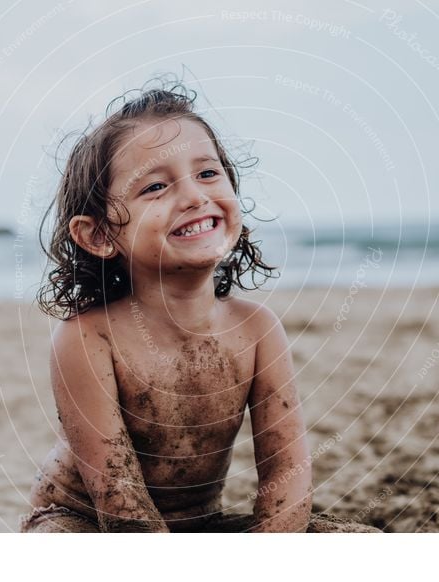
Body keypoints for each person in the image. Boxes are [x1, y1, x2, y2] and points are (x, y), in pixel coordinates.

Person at [20, 79, 380, 533]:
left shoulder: (256, 330)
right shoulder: (88, 338)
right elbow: (118, 501)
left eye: (208, 174)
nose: (194, 197)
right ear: (99, 235)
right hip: (86, 523)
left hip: (199, 526)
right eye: (154, 186)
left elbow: (287, 476)